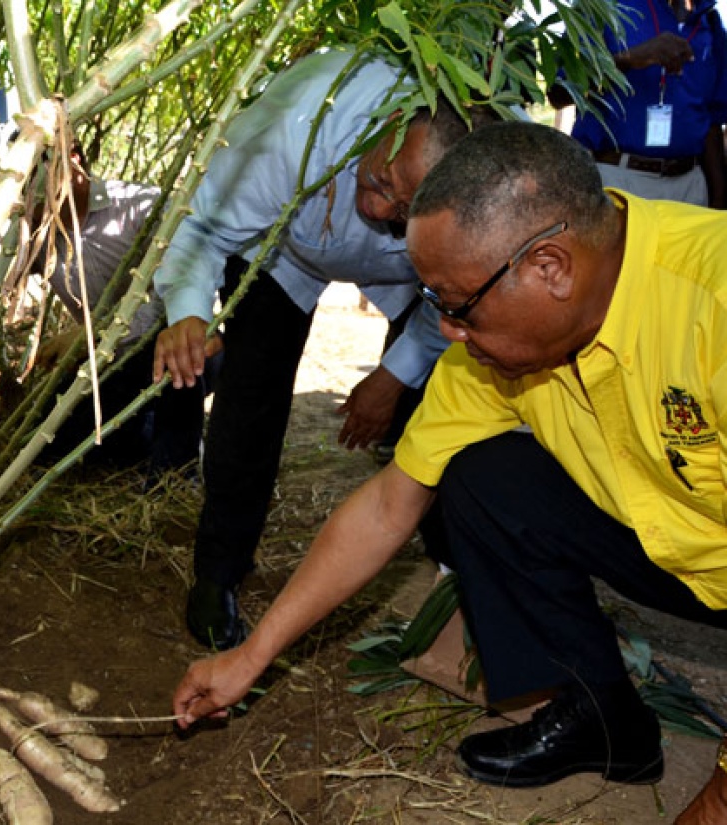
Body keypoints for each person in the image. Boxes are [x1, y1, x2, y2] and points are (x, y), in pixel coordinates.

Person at [172, 120, 727, 821]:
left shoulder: (714, 297)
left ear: (549, 267)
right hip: (676, 543)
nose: (451, 333)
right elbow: (386, 507)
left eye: (458, 304)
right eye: (435, 304)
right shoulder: (489, 355)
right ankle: (603, 719)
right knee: (478, 479)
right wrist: (251, 657)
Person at [150, 47, 490, 649]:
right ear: (386, 125)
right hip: (283, 253)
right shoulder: (295, 123)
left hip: (408, 274)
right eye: (382, 181)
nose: (379, 209)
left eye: (405, 208)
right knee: (249, 401)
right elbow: (200, 229)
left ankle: (457, 579)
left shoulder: (489, 177)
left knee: (441, 402)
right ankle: (218, 573)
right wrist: (189, 313)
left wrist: (394, 375)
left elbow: (464, 293)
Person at [34, 141, 208, 477]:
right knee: (56, 447)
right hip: (99, 368)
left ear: (74, 159)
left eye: (37, 170)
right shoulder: (35, 231)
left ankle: (174, 476)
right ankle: (141, 436)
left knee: (176, 353)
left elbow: (168, 299)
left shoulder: (143, 207)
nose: (33, 186)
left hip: (168, 349)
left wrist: (92, 338)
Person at [553, 0, 727, 207]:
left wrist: (719, 200)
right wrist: (627, 60)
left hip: (690, 187)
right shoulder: (602, 6)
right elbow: (558, 94)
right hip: (619, 181)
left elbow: (713, 121)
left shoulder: (710, 22)